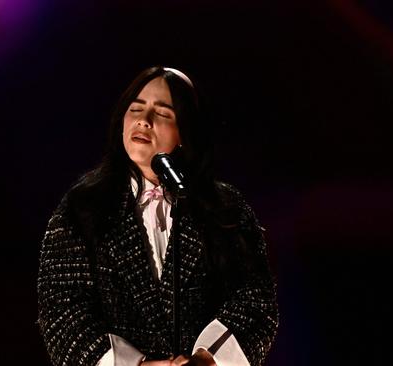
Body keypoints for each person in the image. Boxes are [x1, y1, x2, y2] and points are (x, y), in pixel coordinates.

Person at [37, 66, 278, 366]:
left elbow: (255, 300)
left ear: (185, 133)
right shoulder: (82, 207)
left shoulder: (224, 208)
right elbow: (62, 309)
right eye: (135, 109)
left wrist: (207, 359)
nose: (143, 120)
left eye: (162, 113)